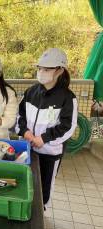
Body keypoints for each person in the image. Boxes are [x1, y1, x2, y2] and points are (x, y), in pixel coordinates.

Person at [16, 48, 78, 208]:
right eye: (40, 68)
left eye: (47, 69)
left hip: (49, 152)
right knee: (26, 183)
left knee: (44, 187)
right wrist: (25, 132)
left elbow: (67, 126)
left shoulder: (67, 97)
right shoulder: (31, 91)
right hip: (28, 148)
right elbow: (20, 115)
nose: (42, 72)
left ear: (60, 70)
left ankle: (41, 216)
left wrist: (43, 139)